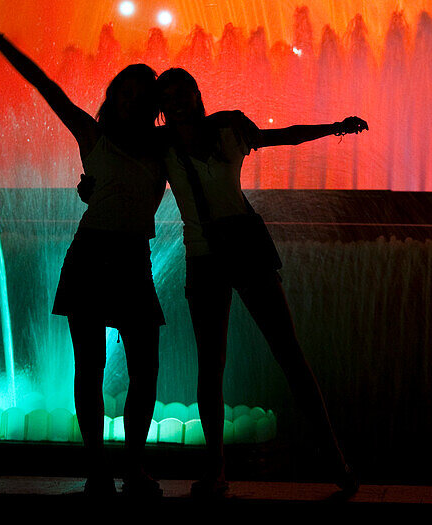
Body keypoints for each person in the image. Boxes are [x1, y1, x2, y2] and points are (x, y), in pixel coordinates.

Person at [0, 15, 166, 497]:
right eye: (122, 92)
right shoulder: (93, 137)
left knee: (145, 368)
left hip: (134, 257)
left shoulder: (162, 147)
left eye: (139, 94)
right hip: (91, 255)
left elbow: (202, 133)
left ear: (151, 105)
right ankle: (97, 470)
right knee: (88, 366)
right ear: (113, 99)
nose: (129, 101)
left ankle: (134, 466)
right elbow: (44, 85)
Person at [155, 66, 366, 498]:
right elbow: (126, 170)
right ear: (162, 106)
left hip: (245, 249)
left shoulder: (230, 127)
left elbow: (284, 137)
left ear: (198, 94)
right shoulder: (161, 147)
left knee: (289, 354)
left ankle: (335, 460)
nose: (178, 102)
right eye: (169, 97)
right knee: (210, 366)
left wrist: (334, 128)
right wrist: (92, 186)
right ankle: (216, 470)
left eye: (184, 93)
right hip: (204, 257)